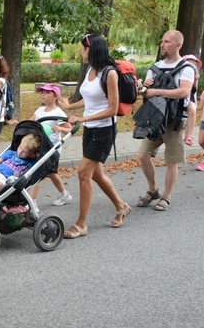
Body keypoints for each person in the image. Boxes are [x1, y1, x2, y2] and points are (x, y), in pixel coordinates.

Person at [59, 34, 131, 238]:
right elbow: (90, 98)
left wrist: (83, 119)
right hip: (91, 128)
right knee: (96, 173)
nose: (81, 52)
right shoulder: (91, 70)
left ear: (91, 50)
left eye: (83, 49)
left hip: (104, 130)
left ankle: (81, 224)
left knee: (84, 173)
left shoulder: (109, 74)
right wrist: (70, 106)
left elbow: (112, 108)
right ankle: (121, 205)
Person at [135, 30, 194, 211]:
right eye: (162, 41)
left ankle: (166, 196)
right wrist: (142, 87)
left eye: (167, 42)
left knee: (171, 161)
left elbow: (184, 92)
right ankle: (153, 190)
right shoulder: (154, 67)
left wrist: (157, 91)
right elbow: (145, 93)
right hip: (154, 119)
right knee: (144, 156)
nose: (162, 44)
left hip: (175, 121)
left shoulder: (187, 68)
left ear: (178, 45)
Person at [27, 84, 72, 211]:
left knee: (37, 172)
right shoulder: (39, 111)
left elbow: (70, 129)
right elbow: (31, 124)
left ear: (55, 96)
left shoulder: (58, 112)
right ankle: (65, 194)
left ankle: (32, 203)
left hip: (52, 149)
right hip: (40, 147)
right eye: (42, 92)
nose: (43, 95)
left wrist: (60, 128)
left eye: (47, 93)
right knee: (52, 173)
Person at [181, 54, 202, 147]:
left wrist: (196, 80)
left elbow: (194, 90)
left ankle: (189, 136)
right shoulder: (181, 73)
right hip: (180, 97)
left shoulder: (194, 76)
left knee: (192, 110)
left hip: (189, 98)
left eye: (194, 65)